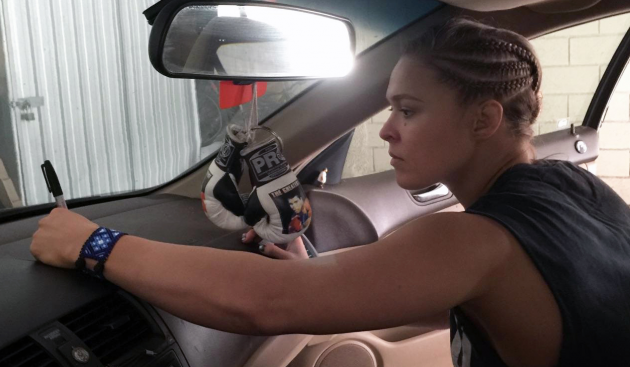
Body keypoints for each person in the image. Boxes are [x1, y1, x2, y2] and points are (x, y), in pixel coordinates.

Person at [30, 18, 630, 367]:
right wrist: (321, 271)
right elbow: (469, 300)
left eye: (408, 110)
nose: (388, 129)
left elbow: (264, 304)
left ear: (484, 119)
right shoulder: (577, 188)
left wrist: (93, 241)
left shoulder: (475, 239)